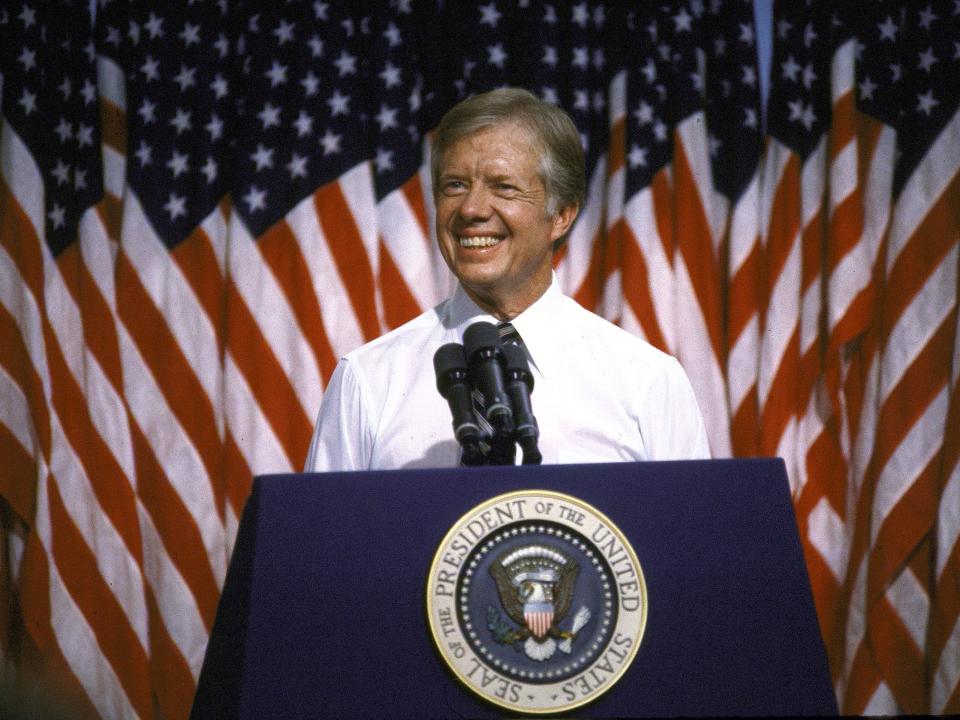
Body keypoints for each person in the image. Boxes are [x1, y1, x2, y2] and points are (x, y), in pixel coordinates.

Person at [304, 88, 709, 472]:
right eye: (455, 186)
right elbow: (321, 540)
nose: (472, 209)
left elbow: (689, 540)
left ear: (562, 215)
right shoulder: (368, 380)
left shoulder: (647, 381)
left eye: (503, 187)